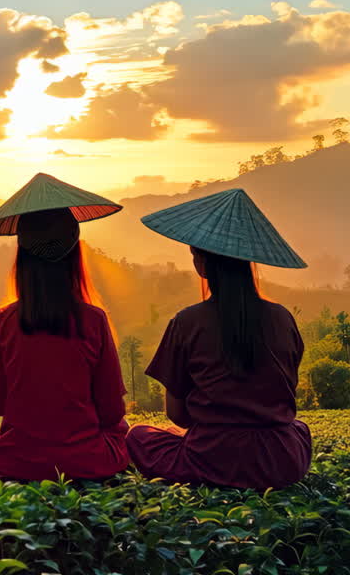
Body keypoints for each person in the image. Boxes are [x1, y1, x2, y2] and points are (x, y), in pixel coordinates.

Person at [125, 188, 312, 488]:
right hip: (280, 461)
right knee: (299, 428)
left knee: (138, 436)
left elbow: (178, 415)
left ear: (203, 263)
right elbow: (286, 399)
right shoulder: (283, 318)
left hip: (213, 458)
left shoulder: (187, 321)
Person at [0, 173, 130, 481]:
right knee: (130, 435)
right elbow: (112, 412)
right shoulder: (94, 319)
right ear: (75, 255)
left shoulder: (3, 320)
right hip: (86, 460)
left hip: (16, 461)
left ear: (22, 258)